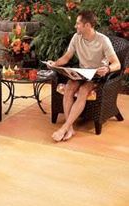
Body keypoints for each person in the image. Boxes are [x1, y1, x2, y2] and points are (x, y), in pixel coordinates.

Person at [48, 10, 121, 142]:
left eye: (78, 24)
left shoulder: (103, 40)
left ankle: (64, 128)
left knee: (83, 90)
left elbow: (117, 64)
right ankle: (69, 128)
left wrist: (108, 68)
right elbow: (67, 57)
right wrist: (55, 64)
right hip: (81, 73)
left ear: (87, 25)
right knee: (69, 87)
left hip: (96, 76)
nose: (75, 26)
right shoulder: (76, 37)